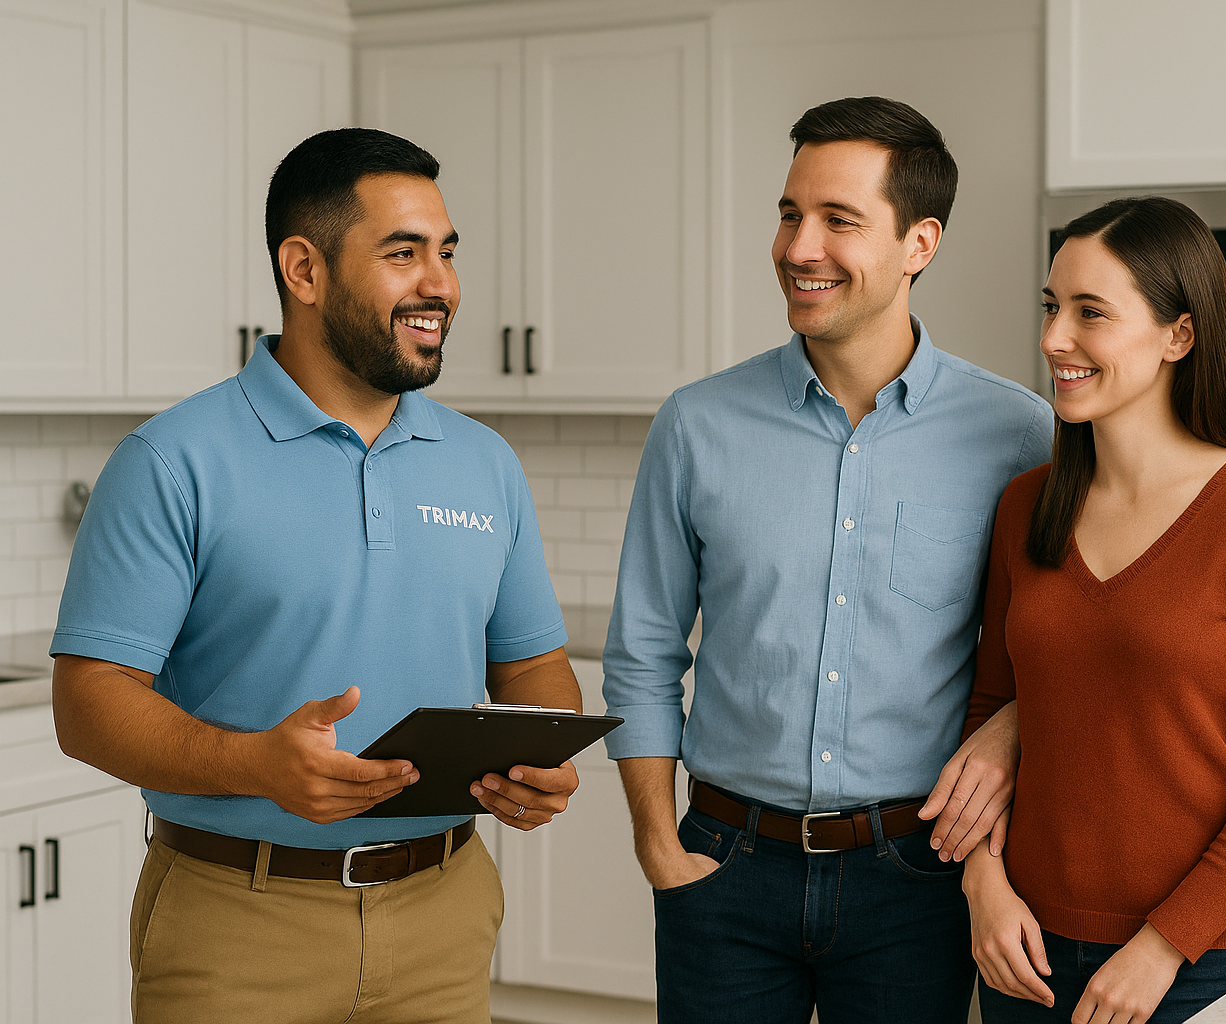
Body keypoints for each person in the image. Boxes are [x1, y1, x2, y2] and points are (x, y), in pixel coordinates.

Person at [49, 128, 582, 1024]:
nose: (440, 286)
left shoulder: (485, 463)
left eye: (446, 253)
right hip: (236, 923)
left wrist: (542, 757)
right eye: (402, 254)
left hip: (444, 917)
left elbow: (533, 670)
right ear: (304, 269)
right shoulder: (172, 461)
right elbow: (87, 701)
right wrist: (253, 763)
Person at [601, 96, 1055, 1024]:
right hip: (721, 866)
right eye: (788, 214)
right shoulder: (697, 425)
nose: (799, 247)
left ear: (920, 243)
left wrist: (1009, 730)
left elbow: (1055, 646)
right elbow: (642, 652)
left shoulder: (1019, 436)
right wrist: (658, 840)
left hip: (917, 874)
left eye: (839, 220)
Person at [962, 195, 1226, 1024]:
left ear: (1180, 334)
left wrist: (1164, 947)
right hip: (1025, 948)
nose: (1055, 339)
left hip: (1202, 960)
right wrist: (982, 884)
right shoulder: (1027, 507)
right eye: (1053, 308)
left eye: (1091, 312)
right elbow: (991, 717)